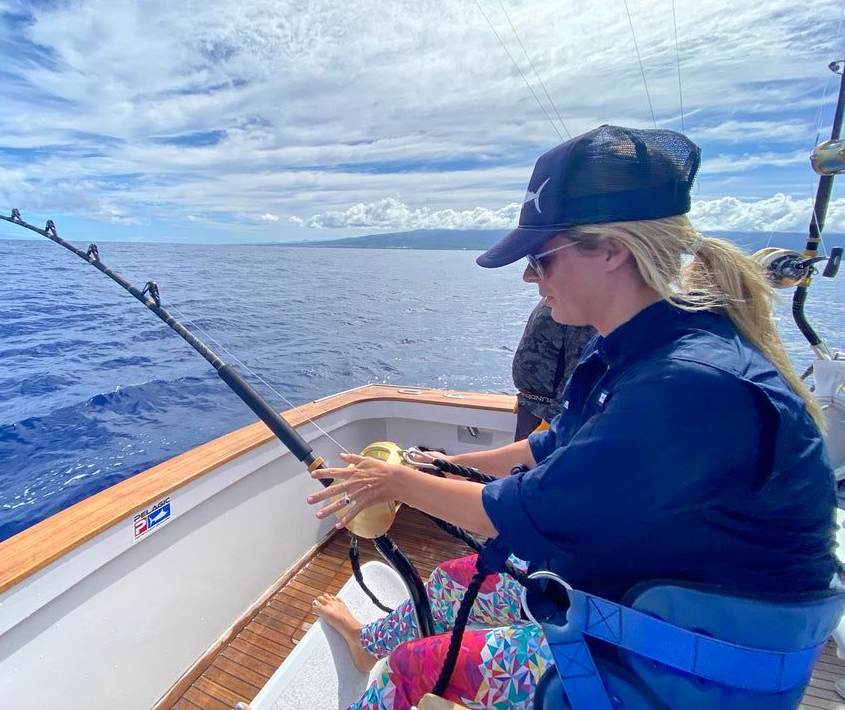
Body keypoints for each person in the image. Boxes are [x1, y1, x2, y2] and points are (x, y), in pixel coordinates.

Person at [304, 124, 838, 710]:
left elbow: (529, 513)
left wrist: (398, 482)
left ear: (610, 250)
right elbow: (549, 447)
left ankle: (385, 662)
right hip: (640, 590)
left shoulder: (690, 385)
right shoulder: (632, 352)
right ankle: (366, 642)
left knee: (408, 671)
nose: (530, 278)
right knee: (455, 580)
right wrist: (446, 465)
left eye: (540, 258)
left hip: (687, 663)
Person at [511, 298, 595, 441]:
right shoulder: (552, 295)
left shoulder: (577, 307)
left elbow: (577, 369)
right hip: (531, 408)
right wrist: (527, 396)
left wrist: (551, 419)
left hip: (548, 413)